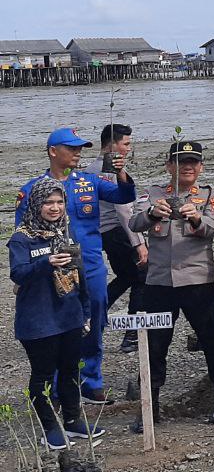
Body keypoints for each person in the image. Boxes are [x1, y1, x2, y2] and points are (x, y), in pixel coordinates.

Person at [16, 127, 136, 405]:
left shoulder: (89, 182)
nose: (78, 152)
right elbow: (22, 233)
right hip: (53, 266)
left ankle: (90, 381)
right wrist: (25, 273)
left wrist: (120, 171)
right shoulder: (33, 188)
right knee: (59, 325)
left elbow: (125, 196)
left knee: (94, 321)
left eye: (80, 148)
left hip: (91, 264)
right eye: (72, 148)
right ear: (53, 151)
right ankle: (58, 387)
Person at [127, 141, 214, 429]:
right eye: (180, 161)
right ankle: (150, 408)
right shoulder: (153, 194)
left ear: (200, 167)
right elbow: (134, 223)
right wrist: (152, 213)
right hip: (159, 283)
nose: (187, 167)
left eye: (193, 162)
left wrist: (197, 217)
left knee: (212, 338)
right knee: (154, 345)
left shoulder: (210, 194)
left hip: (197, 280)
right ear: (168, 165)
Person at [9, 178, 104, 450]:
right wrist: (45, 262)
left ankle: (73, 421)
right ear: (36, 204)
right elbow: (18, 273)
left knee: (70, 370)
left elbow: (80, 273)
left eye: (60, 202)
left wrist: (86, 310)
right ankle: (49, 427)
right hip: (38, 320)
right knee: (43, 374)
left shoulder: (67, 233)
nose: (55, 208)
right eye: (49, 202)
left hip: (70, 315)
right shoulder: (22, 238)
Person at [86, 123, 143, 353]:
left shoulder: (89, 169)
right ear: (112, 144)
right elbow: (124, 210)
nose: (129, 149)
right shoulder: (107, 171)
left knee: (126, 276)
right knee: (141, 277)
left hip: (104, 233)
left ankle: (93, 315)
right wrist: (139, 243)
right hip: (118, 231)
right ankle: (133, 335)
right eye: (126, 144)